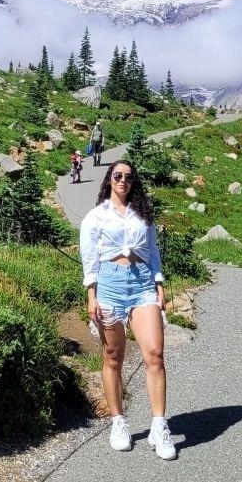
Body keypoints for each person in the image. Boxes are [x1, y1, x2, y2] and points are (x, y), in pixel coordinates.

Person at [78, 160, 176, 460]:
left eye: (128, 177)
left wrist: (159, 286)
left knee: (155, 354)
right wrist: (91, 296)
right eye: (118, 176)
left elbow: (153, 252)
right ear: (109, 180)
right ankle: (118, 422)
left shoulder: (143, 216)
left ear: (134, 182)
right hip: (109, 286)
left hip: (142, 284)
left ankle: (159, 426)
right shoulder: (96, 217)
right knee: (112, 358)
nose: (123, 181)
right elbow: (90, 259)